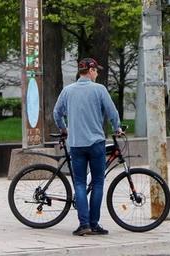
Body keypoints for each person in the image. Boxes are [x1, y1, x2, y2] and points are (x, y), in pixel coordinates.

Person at [53, 57, 123, 236]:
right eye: (96, 71)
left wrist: (64, 129)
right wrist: (117, 128)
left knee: (80, 183)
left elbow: (57, 113)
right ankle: (94, 223)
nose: (97, 74)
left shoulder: (67, 91)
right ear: (90, 71)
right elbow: (112, 112)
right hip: (96, 144)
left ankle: (83, 225)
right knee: (98, 182)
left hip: (76, 144)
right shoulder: (99, 90)